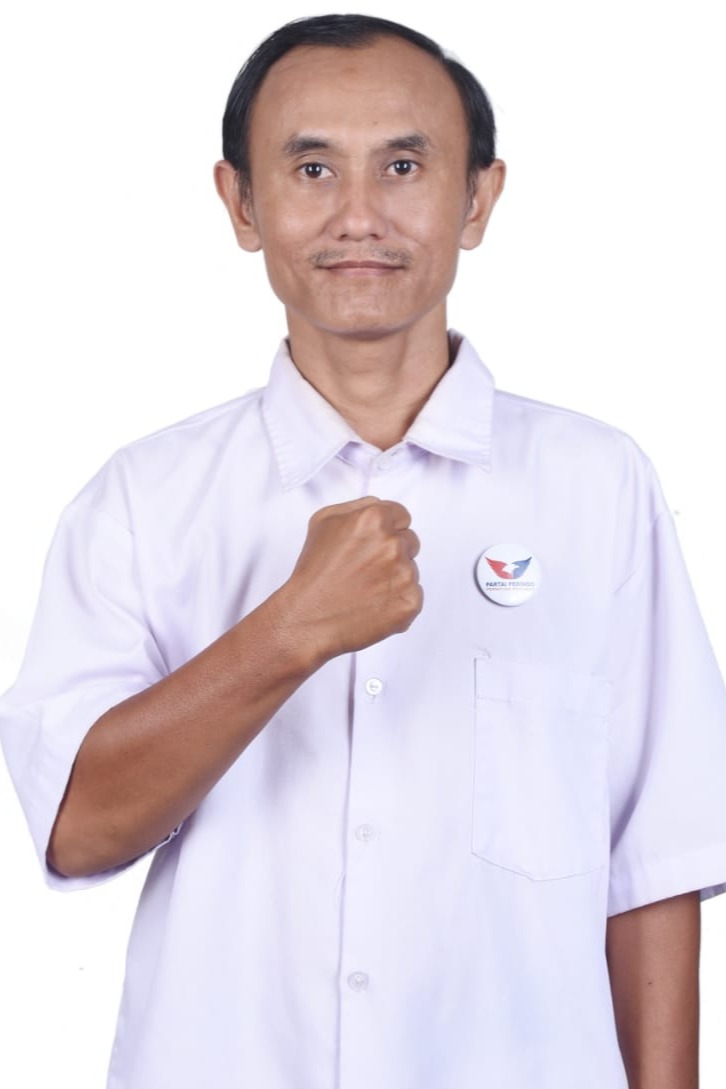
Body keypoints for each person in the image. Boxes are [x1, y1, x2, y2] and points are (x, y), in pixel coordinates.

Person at [1, 12, 725, 1088]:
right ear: (242, 204)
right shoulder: (142, 502)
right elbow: (76, 828)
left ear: (477, 199)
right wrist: (288, 632)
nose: (358, 216)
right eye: (311, 168)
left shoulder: (597, 485)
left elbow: (653, 863)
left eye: (403, 165)